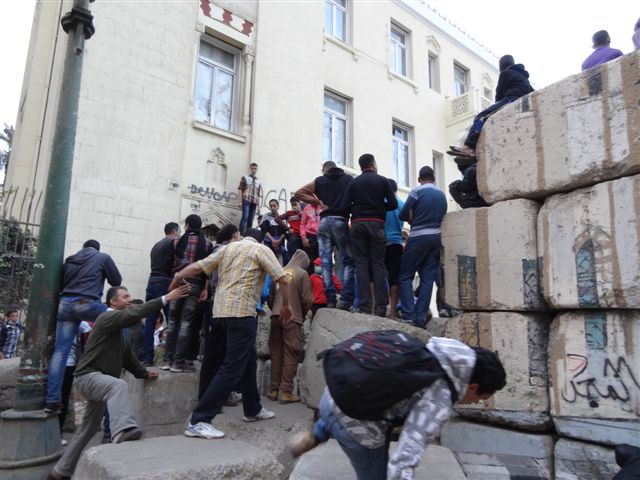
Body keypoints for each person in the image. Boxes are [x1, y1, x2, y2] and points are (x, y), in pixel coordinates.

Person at [289, 336, 506, 480]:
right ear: (474, 386)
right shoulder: (440, 397)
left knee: (362, 411)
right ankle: (327, 428)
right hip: (353, 423)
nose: (475, 403)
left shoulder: (435, 350)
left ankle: (317, 433)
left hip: (334, 393)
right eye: (479, 398)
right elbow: (407, 452)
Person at [46, 283, 191, 480]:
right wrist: (166, 298)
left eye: (129, 296)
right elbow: (133, 314)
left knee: (88, 429)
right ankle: (122, 429)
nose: (129, 299)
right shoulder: (107, 317)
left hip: (100, 383)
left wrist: (144, 374)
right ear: (113, 302)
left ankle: (60, 471)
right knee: (118, 385)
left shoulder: (119, 334)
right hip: (88, 378)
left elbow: (129, 358)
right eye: (124, 297)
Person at [170, 228, 293, 440]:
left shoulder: (226, 249)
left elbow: (199, 266)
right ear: (260, 237)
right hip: (242, 314)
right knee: (231, 367)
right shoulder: (261, 249)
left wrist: (179, 275)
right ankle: (199, 420)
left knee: (248, 359)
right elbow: (282, 279)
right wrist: (287, 306)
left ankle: (252, 408)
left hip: (219, 314)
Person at [45, 239, 122, 414]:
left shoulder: (70, 260)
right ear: (97, 248)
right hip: (87, 302)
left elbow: (61, 283)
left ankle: (52, 400)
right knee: (119, 319)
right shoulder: (103, 257)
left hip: (65, 305)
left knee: (60, 352)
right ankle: (121, 355)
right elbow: (116, 281)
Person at [295, 161, 356, 310]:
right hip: (341, 221)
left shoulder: (320, 181)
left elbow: (299, 193)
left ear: (325, 170)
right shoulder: (348, 180)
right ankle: (346, 299)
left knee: (325, 263)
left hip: (323, 224)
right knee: (348, 261)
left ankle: (330, 299)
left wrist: (316, 201)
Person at [448, 55, 534, 158]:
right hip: (523, 105)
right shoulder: (524, 77)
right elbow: (532, 93)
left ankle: (469, 147)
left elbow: (499, 95)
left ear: (502, 66)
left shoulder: (506, 73)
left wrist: (497, 108)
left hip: (511, 100)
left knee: (481, 117)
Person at [344, 154, 397, 316]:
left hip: (358, 224)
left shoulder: (353, 182)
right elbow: (393, 204)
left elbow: (345, 206)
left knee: (361, 263)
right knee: (378, 264)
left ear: (361, 166)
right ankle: (381, 307)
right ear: (373, 164)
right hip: (376, 224)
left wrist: (358, 210)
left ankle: (365, 305)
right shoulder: (383, 181)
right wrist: (379, 208)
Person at [162, 214, 213, 373]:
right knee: (186, 323)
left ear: (187, 225)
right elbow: (207, 269)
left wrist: (176, 279)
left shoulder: (176, 241)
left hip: (178, 282)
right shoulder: (207, 243)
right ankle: (179, 362)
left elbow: (171, 264)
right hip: (195, 284)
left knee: (172, 321)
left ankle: (167, 360)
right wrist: (205, 289)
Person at [398, 166, 447, 328]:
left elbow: (403, 213)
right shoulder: (441, 194)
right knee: (427, 279)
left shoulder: (416, 191)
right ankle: (420, 319)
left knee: (405, 275)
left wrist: (412, 220)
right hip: (436, 238)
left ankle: (409, 315)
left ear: (419, 179)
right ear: (433, 178)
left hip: (418, 236)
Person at [267, 250, 313, 404]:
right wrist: (303, 312)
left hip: (275, 315)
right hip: (293, 317)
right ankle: (286, 392)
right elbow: (307, 299)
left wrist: (275, 309)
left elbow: (270, 296)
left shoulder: (279, 270)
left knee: (276, 353)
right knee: (291, 353)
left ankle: (273, 390)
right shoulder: (302, 274)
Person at [141, 222, 180, 366]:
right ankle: (171, 357)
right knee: (172, 320)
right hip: (165, 283)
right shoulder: (173, 243)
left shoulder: (156, 246)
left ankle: (147, 358)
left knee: (150, 321)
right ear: (175, 231)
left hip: (152, 282)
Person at [384, 179, 405, 320]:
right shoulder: (402, 204)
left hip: (381, 243)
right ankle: (393, 311)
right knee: (394, 279)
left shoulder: (381, 203)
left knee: (379, 276)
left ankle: (379, 308)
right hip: (397, 243)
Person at [237, 162, 262, 235]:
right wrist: (239, 201)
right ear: (250, 169)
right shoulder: (245, 178)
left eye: (255, 169)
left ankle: (248, 234)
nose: (254, 170)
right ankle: (241, 234)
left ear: (257, 170)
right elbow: (240, 189)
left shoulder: (258, 181)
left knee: (250, 220)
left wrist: (259, 207)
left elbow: (258, 194)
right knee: (245, 217)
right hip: (246, 200)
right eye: (252, 168)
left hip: (254, 202)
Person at [277, 197, 304, 262]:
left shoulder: (304, 212)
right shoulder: (289, 213)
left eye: (295, 204)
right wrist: (288, 228)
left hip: (303, 237)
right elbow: (277, 219)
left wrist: (300, 213)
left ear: (299, 203)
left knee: (302, 258)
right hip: (294, 237)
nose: (294, 207)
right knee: (293, 258)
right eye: (292, 205)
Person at [260, 199, 287, 263]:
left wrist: (278, 242)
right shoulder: (266, 216)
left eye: (274, 206)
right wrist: (273, 240)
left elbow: (284, 232)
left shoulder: (282, 218)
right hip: (268, 243)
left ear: (278, 206)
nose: (272, 208)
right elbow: (264, 230)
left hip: (279, 244)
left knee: (280, 261)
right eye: (271, 206)